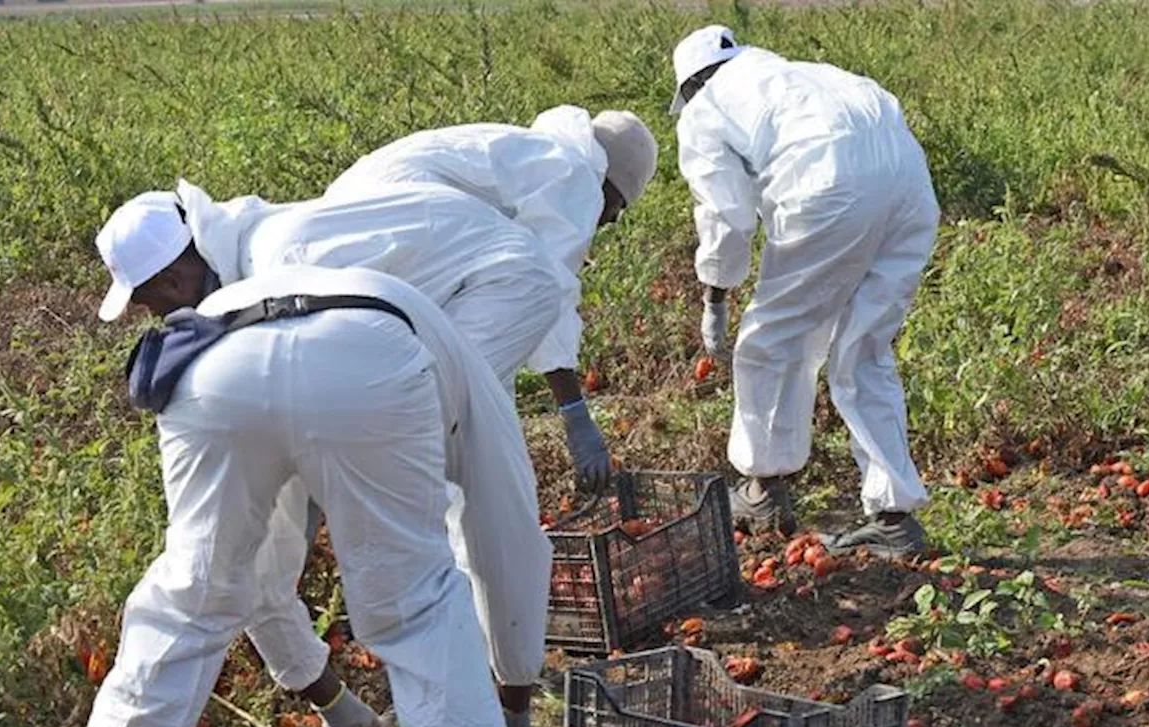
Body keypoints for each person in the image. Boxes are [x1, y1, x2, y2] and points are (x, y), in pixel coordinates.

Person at [75, 240, 540, 727]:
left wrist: (327, 697)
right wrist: (515, 697)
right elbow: (506, 535)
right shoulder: (459, 373)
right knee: (416, 599)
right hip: (364, 357)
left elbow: (257, 578)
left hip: (215, 364)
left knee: (198, 586)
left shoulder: (248, 295)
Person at [95, 183, 571, 727]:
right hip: (370, 360)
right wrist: (334, 704)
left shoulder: (291, 258)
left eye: (149, 303)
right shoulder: (249, 305)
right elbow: (255, 569)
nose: (158, 319)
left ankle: (488, 713)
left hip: (502, 285)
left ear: (171, 281)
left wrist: (515, 696)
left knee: (417, 561)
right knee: (385, 568)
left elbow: (503, 518)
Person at [670, 25, 940, 557]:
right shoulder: (808, 77)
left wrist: (716, 296)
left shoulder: (707, 107)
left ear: (692, 84)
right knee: (864, 350)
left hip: (829, 187)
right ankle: (894, 518)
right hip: (910, 186)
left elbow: (725, 216)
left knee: (770, 343)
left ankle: (762, 491)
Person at [326, 106, 659, 472]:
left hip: (346, 231)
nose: (611, 219)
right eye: (618, 206)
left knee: (473, 393)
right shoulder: (575, 175)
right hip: (404, 231)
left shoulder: (529, 154)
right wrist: (574, 413)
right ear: (611, 183)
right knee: (458, 396)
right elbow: (548, 296)